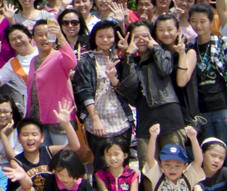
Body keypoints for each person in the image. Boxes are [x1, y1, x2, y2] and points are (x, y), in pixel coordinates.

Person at [72, 20, 133, 162]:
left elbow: (128, 90)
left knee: (122, 163)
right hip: (98, 120)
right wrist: (95, 119)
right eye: (101, 36)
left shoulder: (120, 60)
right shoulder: (86, 62)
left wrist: (114, 76)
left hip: (121, 119)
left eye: (109, 36)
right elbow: (85, 92)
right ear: (94, 37)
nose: (105, 40)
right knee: (101, 164)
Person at [116, 20, 185, 146]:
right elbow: (130, 86)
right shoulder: (129, 61)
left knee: (174, 157)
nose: (141, 40)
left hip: (169, 115)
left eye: (146, 36)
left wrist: (156, 48)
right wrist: (128, 55)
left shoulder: (164, 52)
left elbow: (165, 70)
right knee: (146, 158)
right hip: (145, 117)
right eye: (136, 37)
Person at [187, 3, 227, 146]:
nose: (198, 25)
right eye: (194, 21)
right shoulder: (190, 47)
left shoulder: (222, 42)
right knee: (209, 151)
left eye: (203, 21)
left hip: (223, 107)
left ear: (211, 22)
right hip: (202, 111)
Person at [22, 16, 79, 150]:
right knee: (44, 156)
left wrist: (60, 36)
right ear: (33, 38)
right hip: (38, 119)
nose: (44, 38)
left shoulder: (60, 56)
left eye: (48, 34)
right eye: (39, 34)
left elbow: (72, 62)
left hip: (58, 118)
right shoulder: (33, 61)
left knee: (63, 156)